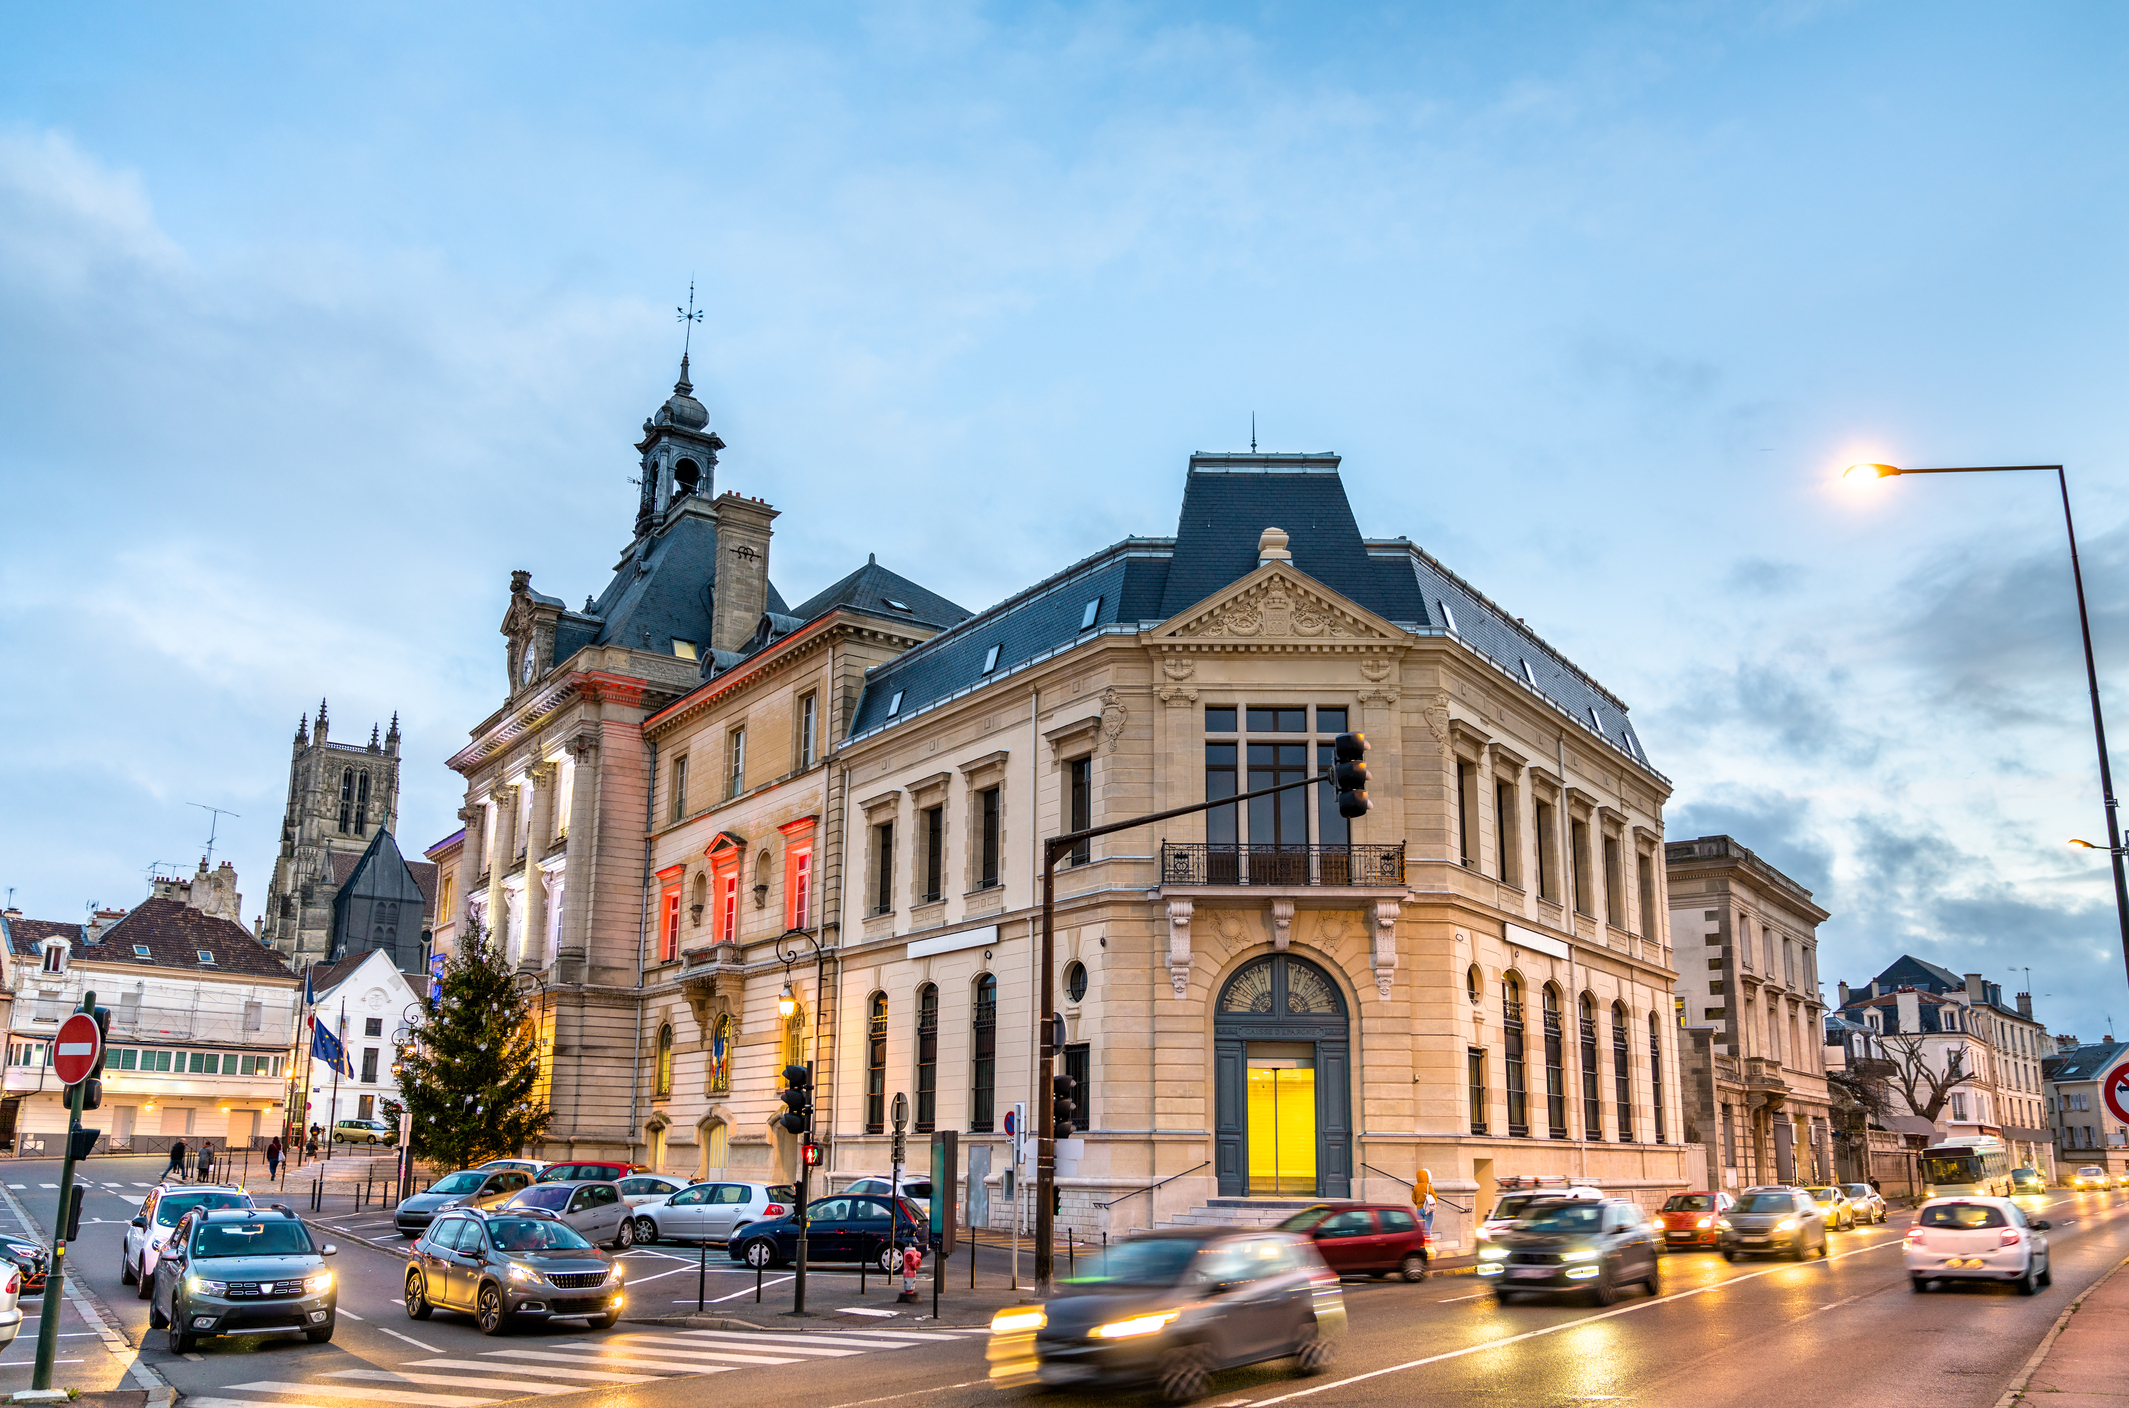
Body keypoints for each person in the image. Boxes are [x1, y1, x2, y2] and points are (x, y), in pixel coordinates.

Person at [1414, 1166, 1437, 1234]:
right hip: (1427, 1209)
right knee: (1427, 1228)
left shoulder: (1416, 1187)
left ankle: (1421, 1241)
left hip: (1419, 1209)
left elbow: (1413, 1198)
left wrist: (1418, 1204)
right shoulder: (1428, 1186)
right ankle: (1427, 1241)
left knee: (1420, 1228)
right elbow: (1434, 1196)